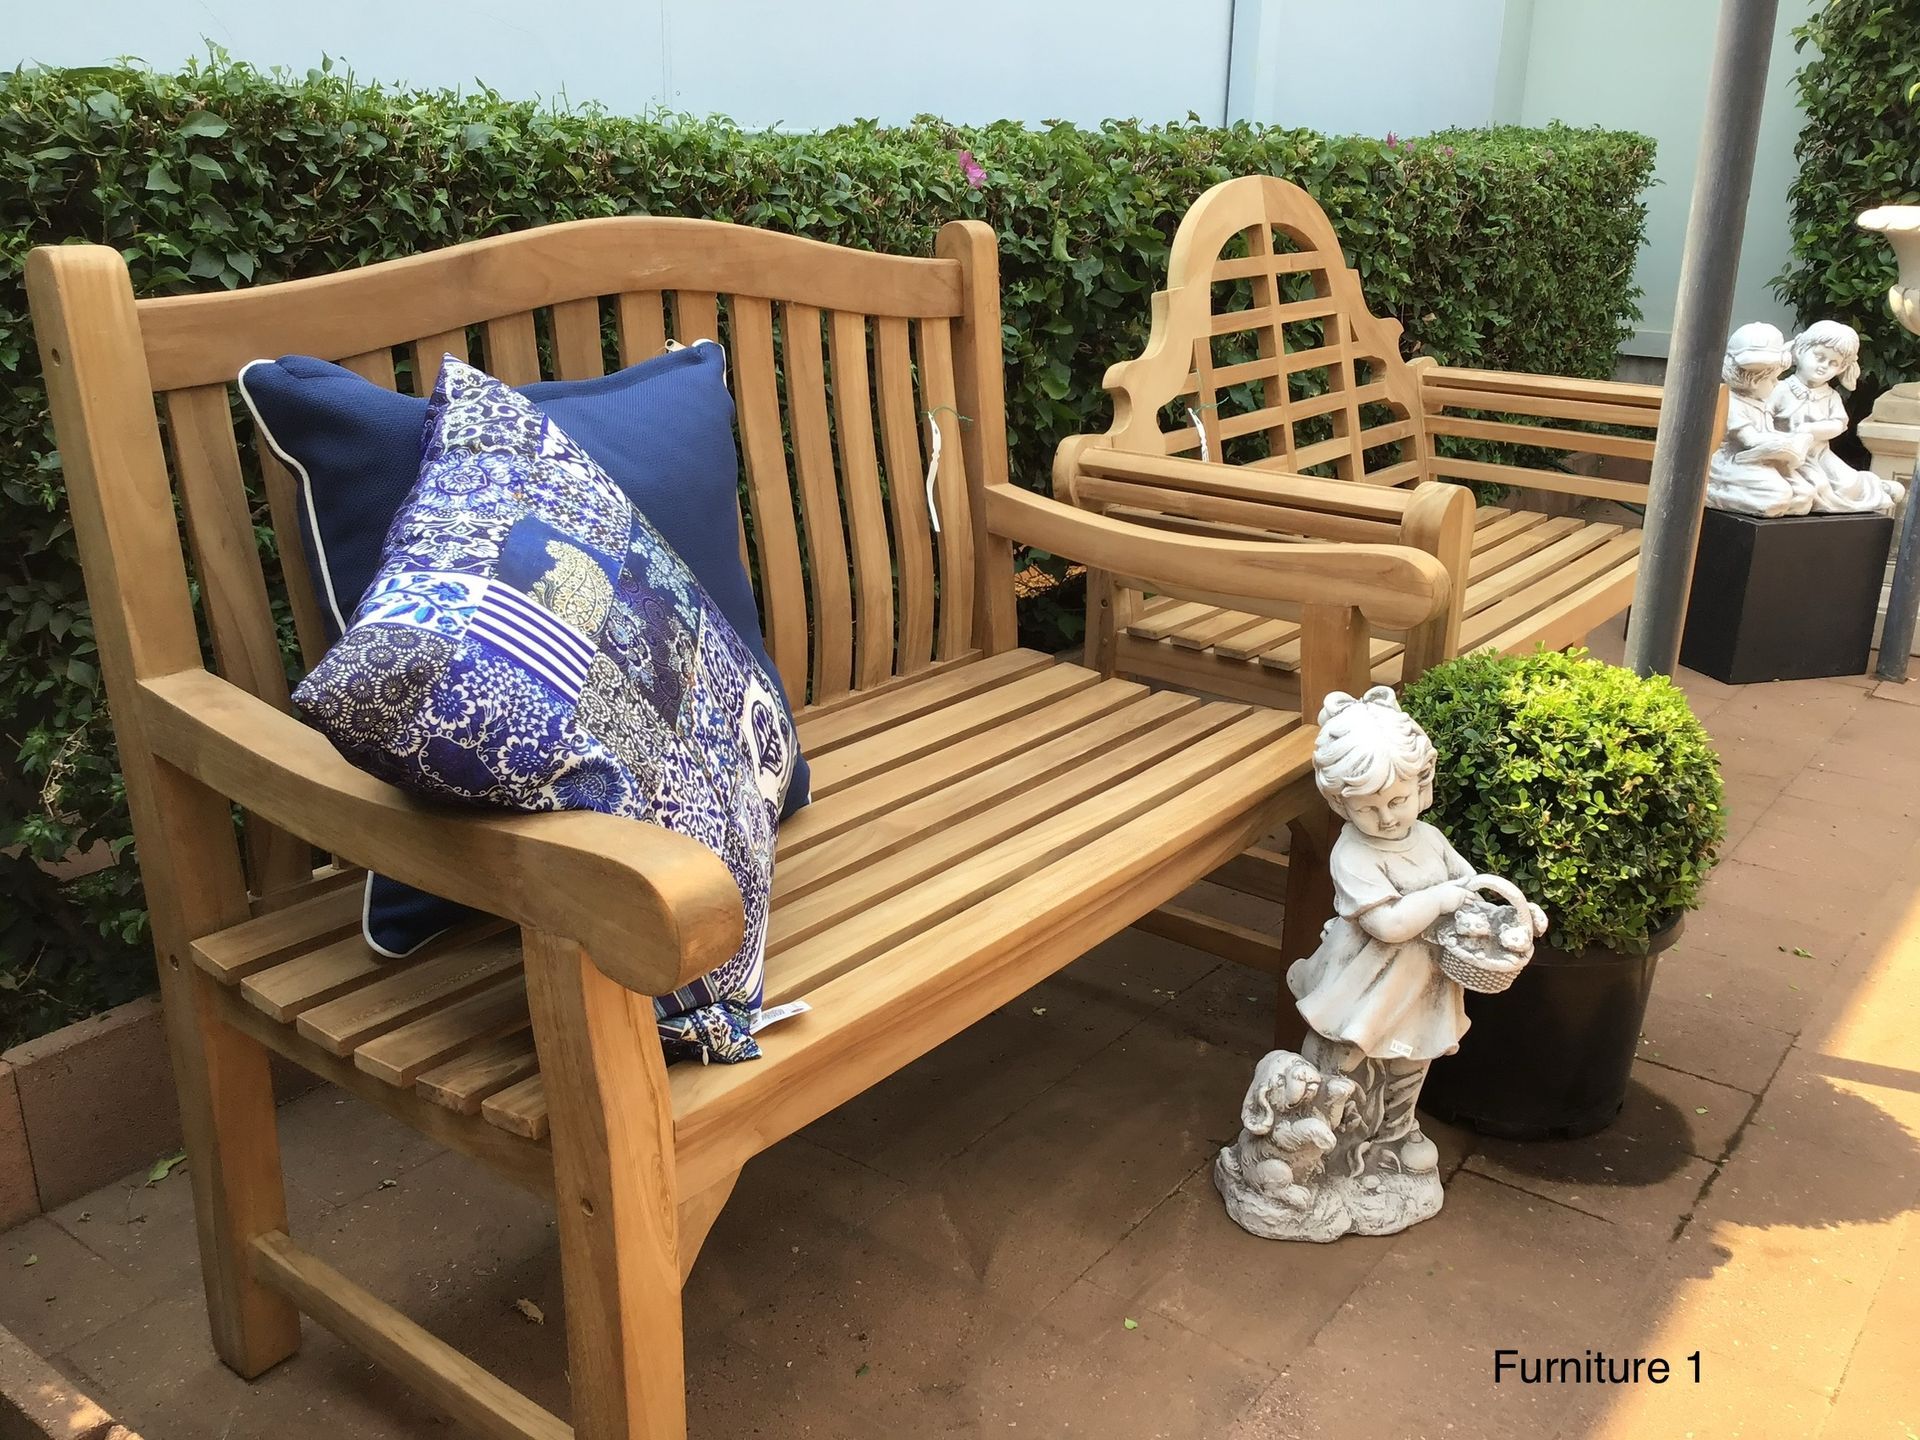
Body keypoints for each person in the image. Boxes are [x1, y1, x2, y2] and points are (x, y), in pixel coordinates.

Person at [1771, 320, 1905, 516]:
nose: (1823, 366)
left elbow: (1838, 424)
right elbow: (1763, 419)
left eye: (1833, 363)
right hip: (1785, 454)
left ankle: (1875, 487)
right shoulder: (1780, 389)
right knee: (1818, 483)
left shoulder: (1831, 396)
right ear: (1800, 351)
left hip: (1819, 454)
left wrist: (1811, 430)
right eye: (1819, 357)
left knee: (1846, 482)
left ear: (1842, 368)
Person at [1705, 322, 1812, 517]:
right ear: (1751, 379)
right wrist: (1784, 443)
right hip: (1731, 462)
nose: (1776, 383)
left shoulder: (1759, 401)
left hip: (1759, 459)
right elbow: (1750, 440)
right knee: (1778, 496)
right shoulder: (1731, 402)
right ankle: (1713, 493)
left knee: (1804, 495)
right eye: (1771, 379)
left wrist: (1796, 441)